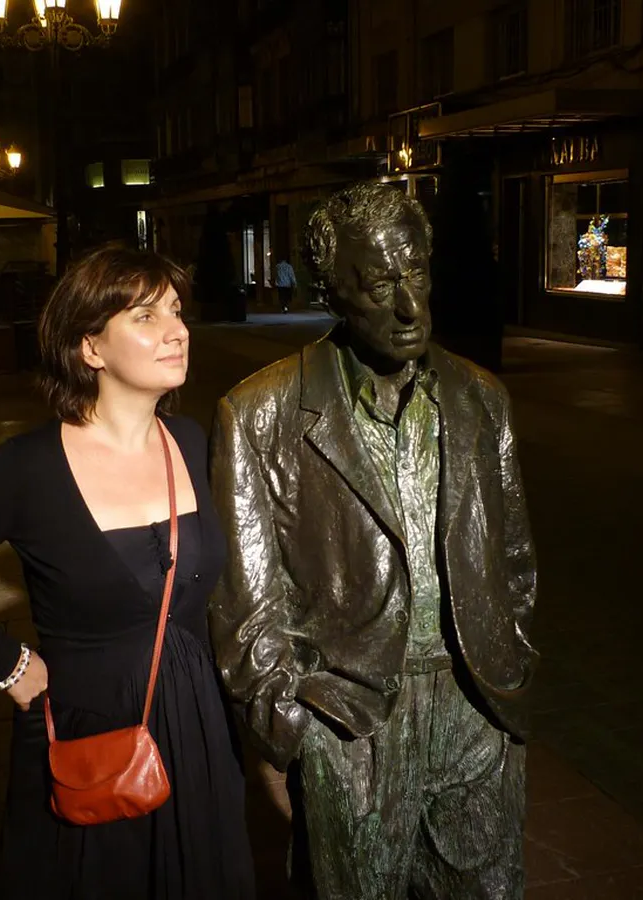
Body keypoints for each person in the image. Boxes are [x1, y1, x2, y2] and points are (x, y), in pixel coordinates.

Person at [0, 243, 255, 900]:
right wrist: (8, 666)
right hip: (90, 728)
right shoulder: (25, 470)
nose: (176, 332)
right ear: (90, 347)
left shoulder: (196, 443)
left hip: (199, 720)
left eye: (175, 311)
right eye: (145, 317)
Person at [209, 183, 538, 900]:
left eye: (416, 272)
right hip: (348, 721)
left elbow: (513, 557)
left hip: (474, 706)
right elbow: (245, 604)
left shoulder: (483, 398)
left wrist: (509, 653)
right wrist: (301, 730)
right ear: (332, 291)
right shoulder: (259, 413)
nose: (410, 306)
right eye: (381, 282)